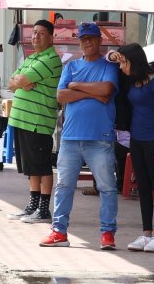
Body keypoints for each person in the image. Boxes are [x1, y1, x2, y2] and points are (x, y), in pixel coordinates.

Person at [40, 21, 121, 250]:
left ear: (99, 40)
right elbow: (61, 96)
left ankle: (107, 233)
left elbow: (106, 90)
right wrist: (91, 92)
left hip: (100, 137)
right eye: (84, 39)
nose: (87, 42)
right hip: (70, 138)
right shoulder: (71, 66)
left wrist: (76, 86)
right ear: (79, 42)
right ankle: (59, 232)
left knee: (107, 187)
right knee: (64, 186)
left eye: (91, 38)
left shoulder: (108, 66)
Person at [110, 43, 154, 253]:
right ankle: (146, 234)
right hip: (136, 141)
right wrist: (115, 56)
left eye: (124, 62)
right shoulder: (132, 81)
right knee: (143, 188)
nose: (121, 67)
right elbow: (108, 59)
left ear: (134, 61)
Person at [7, 19, 63, 224]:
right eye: (34, 33)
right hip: (23, 120)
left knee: (42, 166)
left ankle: (43, 210)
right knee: (30, 167)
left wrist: (21, 82)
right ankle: (33, 205)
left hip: (38, 121)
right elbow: (11, 82)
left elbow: (20, 80)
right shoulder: (32, 58)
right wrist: (20, 82)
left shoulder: (51, 59)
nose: (36, 36)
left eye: (41, 33)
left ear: (51, 37)